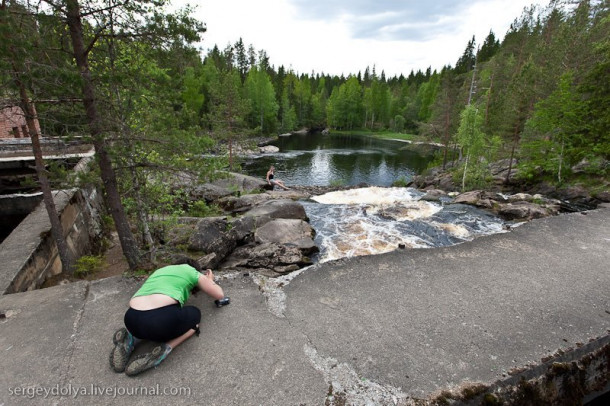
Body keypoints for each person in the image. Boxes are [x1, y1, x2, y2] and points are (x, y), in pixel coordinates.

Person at [109, 259, 228, 376]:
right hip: (160, 325)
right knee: (195, 315)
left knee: (148, 320)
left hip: (131, 319)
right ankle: (163, 350)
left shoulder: (160, 271)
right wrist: (209, 280)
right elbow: (219, 294)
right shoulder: (191, 271)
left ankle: (130, 340)